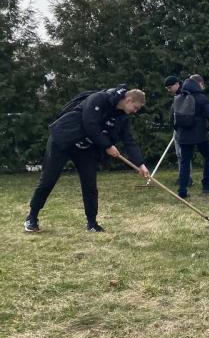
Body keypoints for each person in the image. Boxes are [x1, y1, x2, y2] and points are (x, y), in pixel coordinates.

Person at [24, 86, 150, 233]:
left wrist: (140, 164)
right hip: (63, 139)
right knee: (48, 179)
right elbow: (90, 123)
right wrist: (107, 145)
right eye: (135, 107)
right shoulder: (99, 99)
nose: (135, 111)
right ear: (129, 100)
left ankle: (92, 223)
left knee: (90, 184)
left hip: (85, 148)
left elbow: (129, 141)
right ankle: (31, 218)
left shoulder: (122, 117)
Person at [174, 74, 209, 199]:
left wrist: (179, 131)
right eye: (203, 85)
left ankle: (182, 191)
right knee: (208, 156)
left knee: (185, 162)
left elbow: (173, 118)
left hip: (183, 135)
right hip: (199, 135)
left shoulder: (179, 97)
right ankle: (207, 185)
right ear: (200, 84)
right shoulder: (201, 98)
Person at [164, 75, 192, 187]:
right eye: (167, 88)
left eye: (170, 87)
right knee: (179, 155)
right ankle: (182, 176)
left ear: (177, 84)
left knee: (183, 154)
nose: (169, 90)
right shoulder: (176, 95)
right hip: (177, 130)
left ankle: (187, 178)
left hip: (183, 130)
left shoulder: (185, 94)